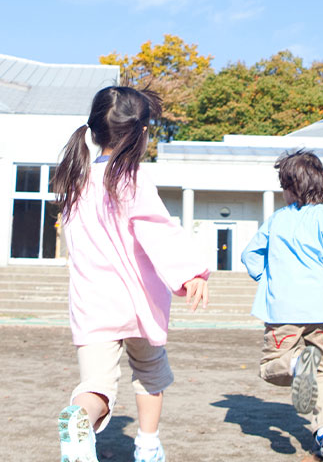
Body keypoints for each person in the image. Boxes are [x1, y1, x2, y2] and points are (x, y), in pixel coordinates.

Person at [53, 86, 210, 462]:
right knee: (151, 374)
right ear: (141, 134)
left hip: (93, 304)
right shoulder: (133, 180)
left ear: (92, 133)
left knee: (96, 387)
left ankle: (79, 419)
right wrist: (191, 273)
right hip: (137, 303)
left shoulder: (73, 184)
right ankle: (148, 445)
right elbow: (158, 229)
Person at [241, 150, 323, 459]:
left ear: (290, 188)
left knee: (271, 367)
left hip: (283, 310)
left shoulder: (277, 221)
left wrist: (268, 276)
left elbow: (250, 257)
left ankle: (296, 365)